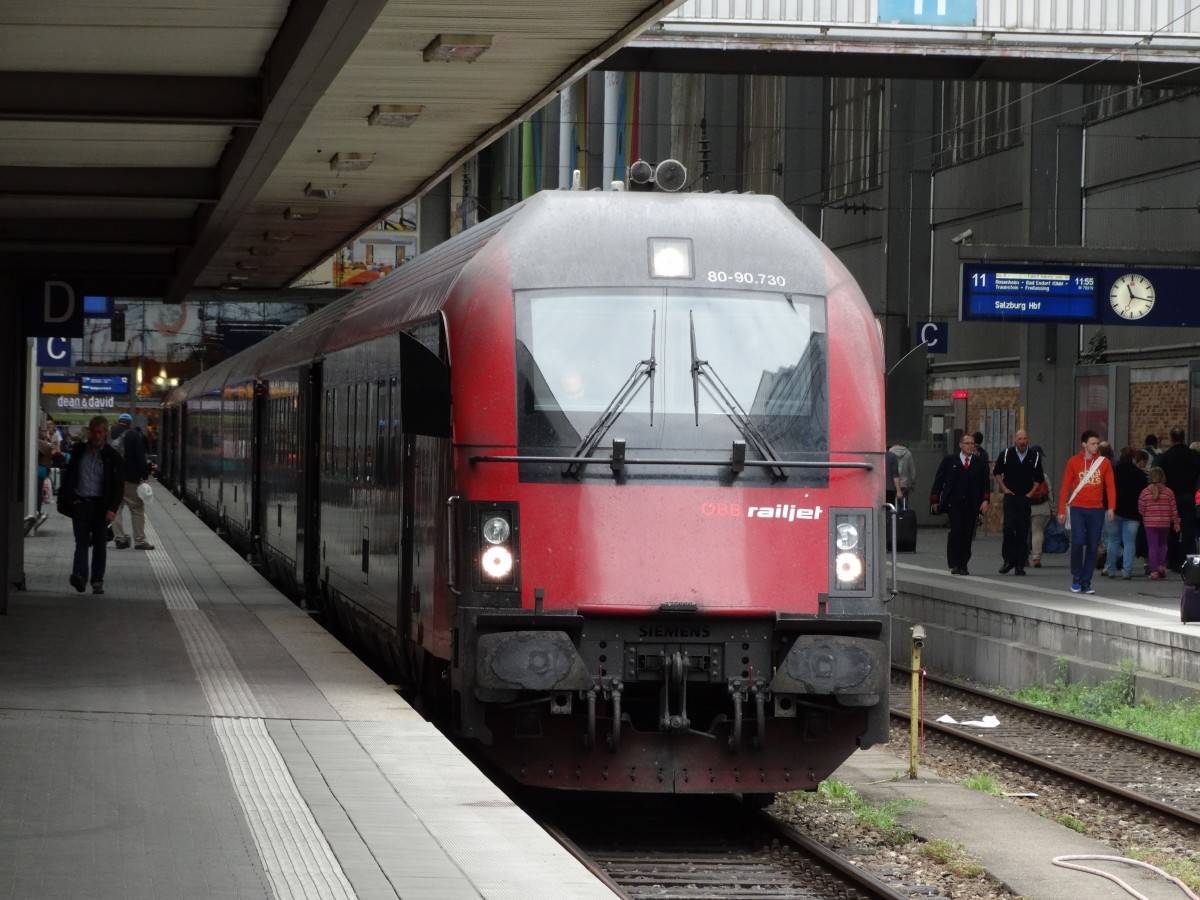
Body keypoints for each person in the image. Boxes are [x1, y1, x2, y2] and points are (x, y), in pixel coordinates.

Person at [57, 415, 124, 595]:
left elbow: (118, 486)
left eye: (100, 432)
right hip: (81, 503)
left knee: (100, 544)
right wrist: (70, 497)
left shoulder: (112, 456)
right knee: (81, 542)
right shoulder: (79, 451)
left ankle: (97, 580)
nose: (96, 436)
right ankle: (80, 576)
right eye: (93, 432)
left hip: (101, 506)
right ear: (89, 432)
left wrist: (112, 508)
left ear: (106, 432)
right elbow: (70, 474)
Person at [1057, 429, 1116, 595]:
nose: (1096, 446)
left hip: (1097, 509)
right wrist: (1061, 511)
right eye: (1093, 443)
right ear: (1084, 444)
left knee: (1092, 545)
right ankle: (1076, 576)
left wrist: (1111, 507)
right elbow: (1065, 487)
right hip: (1078, 507)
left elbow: (1110, 486)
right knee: (1077, 542)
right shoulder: (1073, 462)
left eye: (1097, 443)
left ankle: (1086, 581)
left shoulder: (1104, 463)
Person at [930, 433, 990, 575]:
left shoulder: (979, 462)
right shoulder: (950, 461)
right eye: (967, 443)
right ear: (960, 445)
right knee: (956, 532)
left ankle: (964, 564)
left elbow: (985, 483)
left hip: (971, 504)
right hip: (954, 503)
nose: (970, 446)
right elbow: (939, 480)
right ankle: (955, 562)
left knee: (967, 534)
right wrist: (934, 500)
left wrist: (985, 500)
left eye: (972, 444)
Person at [992, 430, 1044, 576]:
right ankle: (1008, 560)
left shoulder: (1034, 456)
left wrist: (1030, 494)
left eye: (1024, 439)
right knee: (1008, 528)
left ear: (1028, 440)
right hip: (1010, 497)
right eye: (1020, 439)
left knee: (1022, 530)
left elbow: (1039, 478)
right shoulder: (1006, 454)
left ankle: (1020, 564)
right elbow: (997, 472)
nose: (1022, 441)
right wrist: (1004, 489)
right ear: (1015, 440)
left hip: (1024, 498)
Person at [1155, 428, 1200, 571]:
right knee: (1188, 531)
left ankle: (1173, 560)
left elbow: (1159, 476)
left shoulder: (1166, 457)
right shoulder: (1193, 456)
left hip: (1170, 497)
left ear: (1171, 438)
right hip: (1188, 496)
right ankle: (1183, 560)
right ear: (1184, 437)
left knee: (1172, 530)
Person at [109, 412, 156, 551]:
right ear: (130, 423)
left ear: (119, 421)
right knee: (137, 509)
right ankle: (140, 541)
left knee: (116, 508)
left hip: (113, 478)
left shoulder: (109, 435)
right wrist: (145, 476)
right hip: (130, 478)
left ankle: (119, 538)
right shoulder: (133, 435)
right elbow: (140, 458)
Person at [1103, 447, 1146, 580]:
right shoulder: (1140, 474)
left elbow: (1106, 491)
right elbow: (1143, 495)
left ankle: (1110, 569)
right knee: (1129, 542)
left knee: (1113, 540)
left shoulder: (1113, 472)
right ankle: (1126, 571)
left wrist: (1107, 506)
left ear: (1120, 457)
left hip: (1114, 510)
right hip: (1133, 513)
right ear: (1133, 458)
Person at [1138, 467, 1180, 580]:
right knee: (1163, 545)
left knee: (1152, 546)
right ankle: (1161, 566)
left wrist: (1146, 516)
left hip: (1150, 523)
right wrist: (1176, 522)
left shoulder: (1145, 492)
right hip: (1165, 523)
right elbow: (1173, 509)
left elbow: (1141, 508)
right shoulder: (1169, 492)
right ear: (1163, 477)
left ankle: (1154, 572)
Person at [1028, 445, 1053, 568]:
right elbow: (1050, 493)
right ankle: (1036, 558)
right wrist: (1053, 509)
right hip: (1041, 507)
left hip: (1025, 506)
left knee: (1023, 532)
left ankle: (1023, 558)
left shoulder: (1023, 473)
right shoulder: (1043, 475)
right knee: (1037, 532)